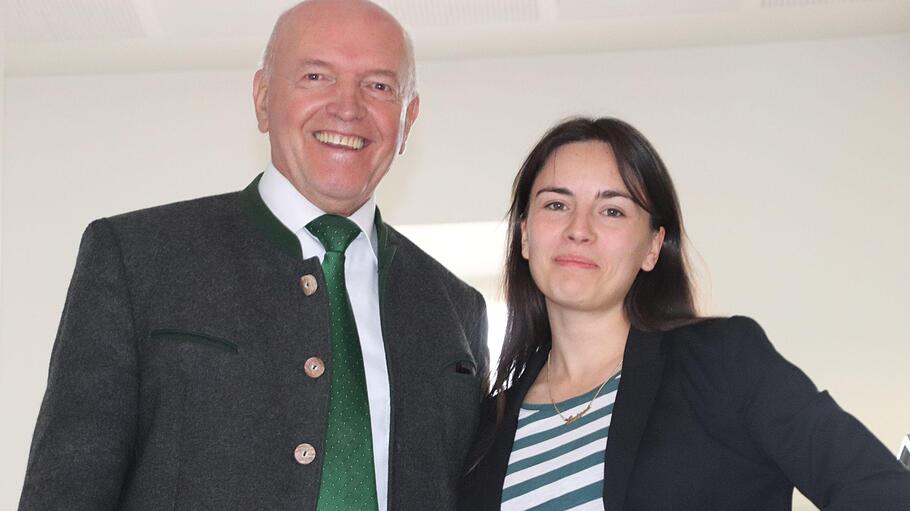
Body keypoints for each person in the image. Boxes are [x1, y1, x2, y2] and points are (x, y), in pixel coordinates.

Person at [18, 1, 488, 510]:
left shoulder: (455, 309)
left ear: (408, 117)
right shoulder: (138, 259)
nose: (348, 107)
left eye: (378, 86)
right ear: (263, 99)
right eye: (315, 76)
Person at [459, 117, 910, 510]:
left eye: (612, 210)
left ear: (653, 246)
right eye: (556, 204)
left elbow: (881, 491)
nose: (579, 229)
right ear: (524, 234)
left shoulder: (724, 361)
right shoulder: (486, 426)